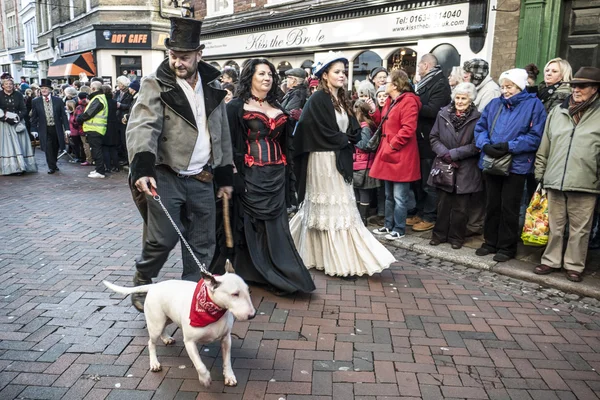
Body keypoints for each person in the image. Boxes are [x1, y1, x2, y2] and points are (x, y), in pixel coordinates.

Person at [126, 17, 234, 312]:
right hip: (166, 174)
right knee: (162, 239)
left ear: (199, 53)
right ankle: (142, 280)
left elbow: (221, 131)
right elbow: (142, 125)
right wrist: (143, 167)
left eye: (184, 56)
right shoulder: (155, 82)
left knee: (202, 242)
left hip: (202, 176)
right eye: (173, 55)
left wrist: (224, 175)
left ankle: (191, 295)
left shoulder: (212, 84)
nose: (177, 62)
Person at [210, 59, 315, 295]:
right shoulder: (236, 106)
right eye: (261, 74)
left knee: (277, 227)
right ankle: (254, 271)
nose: (267, 78)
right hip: (250, 174)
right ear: (250, 77)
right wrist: (232, 173)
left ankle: (282, 272)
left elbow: (286, 142)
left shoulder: (277, 105)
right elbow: (226, 144)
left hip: (276, 174)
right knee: (250, 225)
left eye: (270, 74)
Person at [290, 52, 396, 278]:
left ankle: (338, 257)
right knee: (329, 208)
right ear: (325, 75)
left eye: (343, 72)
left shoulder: (342, 98)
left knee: (343, 208)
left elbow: (353, 126)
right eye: (336, 72)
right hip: (322, 160)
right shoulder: (317, 99)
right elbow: (311, 128)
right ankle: (324, 257)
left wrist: (351, 135)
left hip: (339, 158)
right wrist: (342, 139)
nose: (341, 75)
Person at [533, 67, 600, 282]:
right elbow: (546, 144)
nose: (576, 90)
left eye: (582, 86)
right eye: (574, 85)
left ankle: (574, 264)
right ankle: (550, 260)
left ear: (595, 89)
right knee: (555, 224)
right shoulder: (558, 111)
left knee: (580, 228)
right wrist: (540, 172)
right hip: (555, 177)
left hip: (586, 180)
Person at [474, 68, 546, 262]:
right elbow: (480, 128)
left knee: (509, 207)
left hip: (517, 164)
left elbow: (535, 136)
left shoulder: (534, 105)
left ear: (520, 86)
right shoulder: (494, 104)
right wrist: (485, 145)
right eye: (503, 86)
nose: (505, 90)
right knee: (492, 204)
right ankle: (490, 242)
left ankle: (507, 246)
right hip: (491, 161)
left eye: (509, 86)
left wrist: (509, 146)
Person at [428, 82, 482, 249]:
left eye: (463, 99)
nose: (459, 101)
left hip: (466, 167)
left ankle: (456, 238)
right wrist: (445, 153)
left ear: (471, 100)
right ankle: (438, 235)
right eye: (457, 98)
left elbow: (476, 144)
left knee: (461, 206)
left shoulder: (478, 117)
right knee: (443, 203)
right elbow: (433, 137)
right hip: (445, 165)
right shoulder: (443, 114)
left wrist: (454, 154)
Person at [369, 70, 422, 240]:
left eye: (388, 81)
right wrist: (373, 111)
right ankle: (388, 225)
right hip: (389, 153)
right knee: (389, 195)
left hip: (400, 155)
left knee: (400, 196)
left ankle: (399, 228)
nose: (384, 84)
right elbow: (383, 123)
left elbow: (408, 129)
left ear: (396, 85)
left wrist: (392, 145)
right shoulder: (391, 101)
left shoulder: (408, 102)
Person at [410, 53, 452, 232]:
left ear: (426, 66)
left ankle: (429, 216)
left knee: (429, 181)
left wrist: (412, 103)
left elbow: (434, 110)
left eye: (419, 65)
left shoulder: (439, 84)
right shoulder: (425, 83)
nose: (418, 69)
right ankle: (419, 212)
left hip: (429, 139)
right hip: (419, 138)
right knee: (419, 180)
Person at [30, 79, 70, 174]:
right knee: (48, 148)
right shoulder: (36, 101)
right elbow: (34, 117)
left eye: (46, 88)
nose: (44, 90)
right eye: (42, 88)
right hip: (44, 128)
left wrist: (67, 128)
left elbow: (63, 115)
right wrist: (33, 129)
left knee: (56, 147)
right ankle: (51, 166)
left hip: (56, 128)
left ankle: (54, 163)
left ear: (50, 90)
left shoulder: (58, 101)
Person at [0, 77, 37, 175]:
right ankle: (9, 168)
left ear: (13, 85)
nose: (9, 86)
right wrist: (6, 119)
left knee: (20, 145)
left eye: (10, 84)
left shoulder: (18, 95)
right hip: (4, 124)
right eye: (6, 84)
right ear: (2, 85)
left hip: (18, 122)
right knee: (7, 146)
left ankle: (21, 167)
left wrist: (17, 118)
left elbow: (24, 109)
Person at [352, 99, 380, 225]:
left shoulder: (365, 127)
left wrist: (351, 140)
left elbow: (364, 144)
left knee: (363, 192)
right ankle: (359, 216)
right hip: (360, 163)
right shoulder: (366, 126)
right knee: (358, 191)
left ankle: (362, 218)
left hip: (363, 164)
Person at [77, 81, 108, 179]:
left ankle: (100, 171)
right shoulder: (99, 98)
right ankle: (99, 169)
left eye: (90, 87)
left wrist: (79, 118)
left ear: (93, 88)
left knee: (96, 150)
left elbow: (89, 113)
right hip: (95, 129)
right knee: (95, 150)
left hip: (95, 129)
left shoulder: (98, 99)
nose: (89, 89)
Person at [114, 76, 133, 166]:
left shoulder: (129, 93)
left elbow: (130, 106)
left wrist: (120, 105)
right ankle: (121, 157)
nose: (118, 85)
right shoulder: (117, 92)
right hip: (117, 118)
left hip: (124, 118)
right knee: (118, 139)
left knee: (124, 139)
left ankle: (127, 158)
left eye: (120, 83)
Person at [102, 85, 120, 173]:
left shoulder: (102, 102)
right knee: (113, 148)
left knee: (105, 148)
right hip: (114, 125)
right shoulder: (114, 102)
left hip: (105, 125)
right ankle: (116, 166)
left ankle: (108, 167)